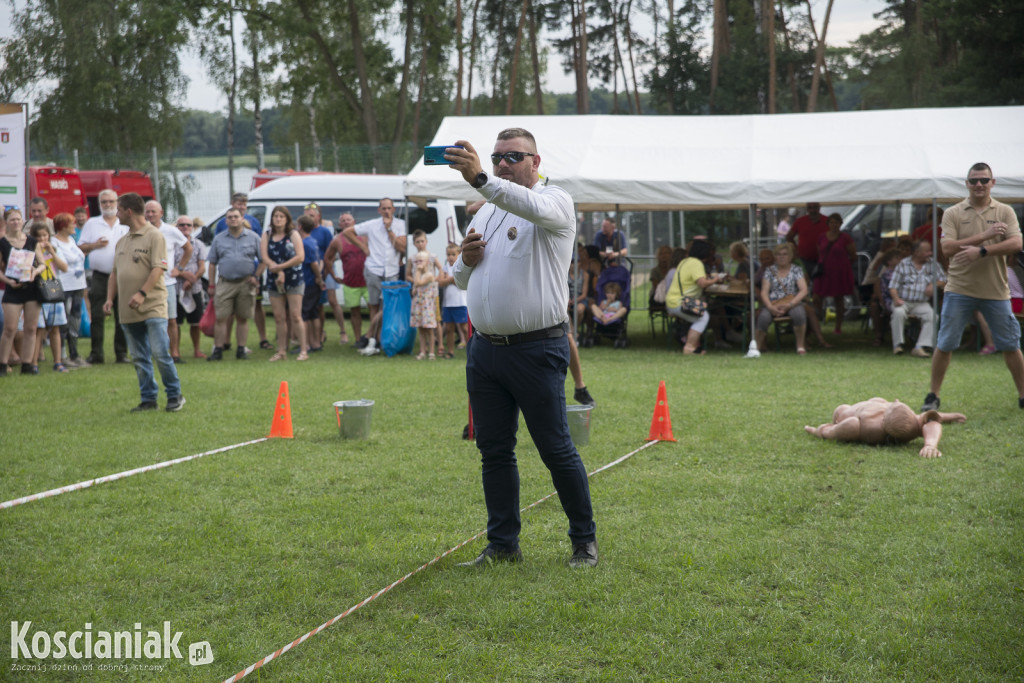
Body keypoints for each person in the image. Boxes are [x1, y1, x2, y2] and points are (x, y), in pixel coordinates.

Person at [445, 127, 598, 568]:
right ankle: (502, 544)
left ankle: (583, 542)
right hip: (486, 350)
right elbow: (459, 277)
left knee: (555, 448)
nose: (503, 164)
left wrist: (480, 180)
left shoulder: (555, 201)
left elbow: (526, 204)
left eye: (514, 156)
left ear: (536, 161)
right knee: (493, 450)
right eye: (497, 158)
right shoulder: (486, 212)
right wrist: (464, 261)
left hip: (536, 348)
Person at [922, 163, 1024, 412]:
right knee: (945, 344)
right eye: (974, 180)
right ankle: (933, 396)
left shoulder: (1005, 211)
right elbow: (946, 249)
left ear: (993, 182)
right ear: (966, 184)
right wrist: (984, 236)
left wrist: (983, 251)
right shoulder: (953, 213)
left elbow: (1016, 243)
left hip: (996, 291)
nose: (979, 184)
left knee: (1011, 345)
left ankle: (1023, 395)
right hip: (959, 289)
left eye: (984, 180)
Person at [104, 192, 184, 412]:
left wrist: (142, 293)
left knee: (159, 353)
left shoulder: (154, 236)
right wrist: (110, 299)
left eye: (118, 210)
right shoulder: (122, 240)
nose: (116, 214)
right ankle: (148, 399)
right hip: (127, 310)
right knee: (139, 356)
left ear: (129, 211)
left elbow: (159, 268)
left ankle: (175, 395)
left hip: (152, 305)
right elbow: (114, 273)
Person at [343, 198, 407, 357]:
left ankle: (371, 335)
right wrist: (363, 247)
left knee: (388, 306)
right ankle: (376, 341)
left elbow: (401, 246)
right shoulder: (371, 224)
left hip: (391, 270)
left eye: (389, 208)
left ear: (393, 209)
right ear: (379, 210)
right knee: (374, 305)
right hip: (373, 268)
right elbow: (347, 232)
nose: (386, 211)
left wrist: (389, 230)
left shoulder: (400, 224)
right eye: (383, 208)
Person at [804, 398, 965, 459]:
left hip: (849, 414)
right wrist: (819, 430)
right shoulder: (864, 424)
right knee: (850, 425)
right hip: (849, 414)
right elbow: (927, 419)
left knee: (851, 425)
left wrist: (931, 444)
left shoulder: (877, 426)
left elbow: (929, 420)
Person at [78, 189, 129, 364]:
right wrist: (95, 245)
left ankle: (121, 353)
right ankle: (96, 353)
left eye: (111, 202)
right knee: (98, 315)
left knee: (122, 314)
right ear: (99, 204)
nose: (108, 205)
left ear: (117, 203)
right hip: (100, 276)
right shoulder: (92, 223)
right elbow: (80, 248)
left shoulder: (125, 223)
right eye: (104, 202)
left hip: (122, 275)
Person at [207, 207, 263, 361]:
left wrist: (256, 276)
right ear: (226, 220)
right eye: (230, 217)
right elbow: (212, 263)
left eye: (235, 217)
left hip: (246, 282)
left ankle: (241, 350)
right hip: (225, 283)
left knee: (243, 318)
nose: (233, 219)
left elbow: (264, 260)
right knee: (221, 317)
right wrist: (211, 284)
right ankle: (218, 350)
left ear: (242, 218)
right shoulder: (219, 239)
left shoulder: (253, 237)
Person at [144, 200, 192, 365]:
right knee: (150, 320)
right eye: (147, 212)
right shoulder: (141, 231)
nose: (150, 215)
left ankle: (175, 354)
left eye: (153, 212)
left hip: (167, 283)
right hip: (146, 283)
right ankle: (151, 354)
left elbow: (188, 248)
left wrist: (179, 268)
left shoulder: (171, 231)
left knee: (171, 319)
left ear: (161, 213)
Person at [0, 208, 44, 375]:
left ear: (22, 220)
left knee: (31, 328)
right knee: (10, 328)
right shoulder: (3, 242)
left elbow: (42, 263)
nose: (16, 222)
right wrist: (8, 281)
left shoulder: (32, 242)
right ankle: (3, 364)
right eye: (12, 220)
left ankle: (27, 364)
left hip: (31, 288)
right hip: (13, 289)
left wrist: (35, 271)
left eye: (18, 219)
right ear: (7, 222)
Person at [261, 206, 306, 362]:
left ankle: (303, 350)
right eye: (275, 216)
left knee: (295, 315)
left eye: (281, 216)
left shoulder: (293, 235)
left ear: (287, 219)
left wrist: (281, 268)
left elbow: (300, 256)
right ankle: (281, 351)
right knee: (279, 317)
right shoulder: (267, 235)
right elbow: (264, 256)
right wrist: (276, 270)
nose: (278, 219)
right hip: (274, 279)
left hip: (293, 278)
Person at [889, 240, 946, 358]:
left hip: (921, 302)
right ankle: (898, 345)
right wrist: (896, 299)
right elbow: (893, 286)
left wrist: (934, 284)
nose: (930, 253)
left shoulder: (933, 264)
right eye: (927, 251)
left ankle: (920, 346)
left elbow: (943, 280)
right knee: (898, 312)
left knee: (932, 316)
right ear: (916, 252)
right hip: (903, 301)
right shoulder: (903, 264)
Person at [754, 242, 809, 354]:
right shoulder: (769, 271)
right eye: (779, 254)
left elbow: (804, 290)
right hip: (773, 303)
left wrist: (790, 305)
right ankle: (756, 348)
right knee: (763, 317)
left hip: (791, 302)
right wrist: (770, 307)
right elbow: (764, 292)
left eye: (785, 254)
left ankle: (800, 346)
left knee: (799, 314)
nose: (782, 257)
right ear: (775, 257)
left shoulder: (796, 270)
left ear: (790, 257)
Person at [324, 212, 368, 347]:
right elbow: (328, 259)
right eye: (343, 221)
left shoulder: (365, 237)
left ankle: (375, 338)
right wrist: (333, 275)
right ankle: (358, 340)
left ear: (354, 222)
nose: (346, 222)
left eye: (349, 220)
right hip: (350, 282)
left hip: (368, 281)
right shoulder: (337, 240)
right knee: (355, 312)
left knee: (375, 311)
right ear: (339, 225)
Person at [666, 238, 717, 355]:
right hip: (681, 302)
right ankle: (689, 347)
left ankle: (692, 346)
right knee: (703, 317)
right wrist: (715, 279)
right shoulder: (696, 263)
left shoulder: (685, 261)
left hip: (673, 300)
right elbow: (702, 283)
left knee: (700, 317)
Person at [29, 223, 69, 372]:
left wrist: (51, 252)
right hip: (39, 293)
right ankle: (33, 362)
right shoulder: (31, 252)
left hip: (53, 291)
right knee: (39, 330)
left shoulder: (54, 250)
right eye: (38, 237)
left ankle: (58, 362)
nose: (42, 239)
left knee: (55, 328)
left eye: (45, 236)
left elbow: (64, 267)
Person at [52, 213, 88, 367]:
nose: (74, 225)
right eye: (71, 223)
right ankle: (63, 355)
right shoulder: (54, 243)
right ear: (63, 226)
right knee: (64, 321)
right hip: (63, 286)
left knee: (75, 320)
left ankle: (74, 354)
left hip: (78, 285)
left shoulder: (72, 240)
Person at [812, 212, 856, 335]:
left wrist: (843, 265)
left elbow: (853, 255)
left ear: (840, 224)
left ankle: (838, 326)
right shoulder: (821, 237)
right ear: (828, 224)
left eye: (836, 222)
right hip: (824, 272)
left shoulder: (845, 237)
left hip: (839, 272)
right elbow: (819, 252)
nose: (834, 225)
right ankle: (817, 323)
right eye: (832, 222)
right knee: (817, 297)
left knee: (839, 298)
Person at [172, 215, 208, 360]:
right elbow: (169, 267)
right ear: (177, 227)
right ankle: (175, 351)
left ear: (193, 227)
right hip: (175, 287)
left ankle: (197, 350)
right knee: (176, 322)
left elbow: (202, 266)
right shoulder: (172, 245)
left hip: (195, 288)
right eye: (182, 225)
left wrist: (192, 280)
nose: (185, 227)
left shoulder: (198, 244)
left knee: (195, 322)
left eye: (188, 225)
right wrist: (184, 274)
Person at [297, 215, 324, 354]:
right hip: (314, 283)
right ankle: (316, 343)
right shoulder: (313, 241)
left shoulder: (305, 244)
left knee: (304, 314)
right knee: (314, 313)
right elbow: (320, 261)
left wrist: (318, 277)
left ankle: (306, 344)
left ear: (300, 227)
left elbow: (313, 263)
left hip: (308, 282)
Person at [438, 242, 469, 358]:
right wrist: (450, 280)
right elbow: (440, 282)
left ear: (458, 255)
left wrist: (449, 279)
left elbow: (460, 283)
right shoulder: (445, 268)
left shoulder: (460, 268)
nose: (450, 257)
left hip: (460, 303)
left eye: (453, 254)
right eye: (448, 254)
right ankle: (450, 352)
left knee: (464, 328)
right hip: (447, 304)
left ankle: (470, 350)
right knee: (449, 328)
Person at [409, 249, 439, 360]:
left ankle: (431, 352)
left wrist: (417, 271)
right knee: (421, 329)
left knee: (429, 329)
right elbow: (414, 290)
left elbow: (418, 283)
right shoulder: (418, 275)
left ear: (427, 262)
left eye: (421, 261)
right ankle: (422, 351)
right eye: (416, 262)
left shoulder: (429, 275)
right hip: (418, 305)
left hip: (427, 306)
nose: (418, 264)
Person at [787, 202, 829, 276]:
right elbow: (789, 237)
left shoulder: (827, 221)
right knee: (805, 284)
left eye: (815, 207)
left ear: (819, 208)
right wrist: (795, 250)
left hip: (825, 260)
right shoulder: (800, 221)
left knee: (822, 284)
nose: (812, 210)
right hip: (804, 260)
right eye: (810, 208)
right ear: (807, 209)